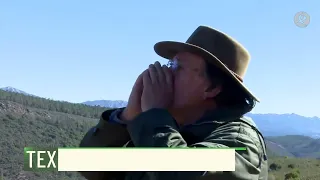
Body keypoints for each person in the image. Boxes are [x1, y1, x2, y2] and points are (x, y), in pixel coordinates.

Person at [79, 25, 268, 180]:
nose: (166, 72)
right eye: (170, 64)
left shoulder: (239, 142)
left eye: (178, 67)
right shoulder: (163, 127)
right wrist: (128, 117)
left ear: (212, 89)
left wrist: (153, 116)